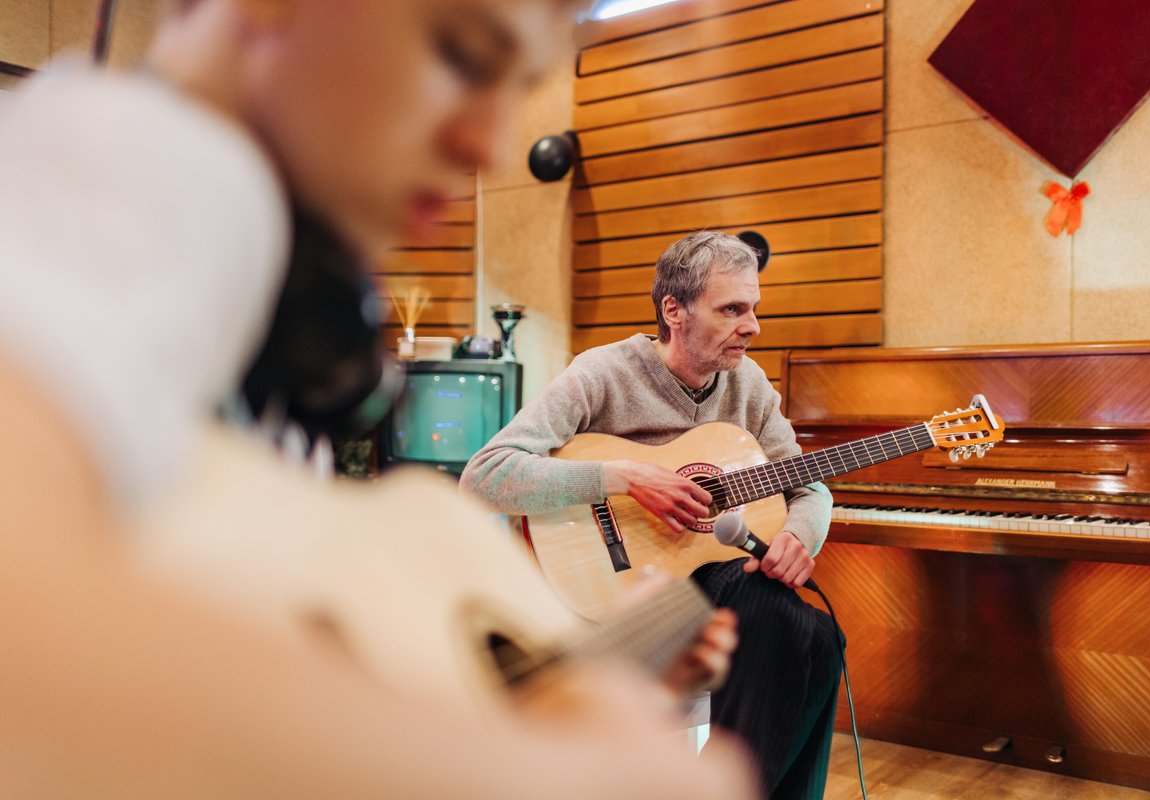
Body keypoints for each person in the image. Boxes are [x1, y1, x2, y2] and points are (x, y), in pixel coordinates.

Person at [0, 1, 757, 797]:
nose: (490, 143)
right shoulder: (138, 170)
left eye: (521, 87)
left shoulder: (264, 311)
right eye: (463, 54)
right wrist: (571, 777)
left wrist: (587, 687)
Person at [462, 230, 845, 800]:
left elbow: (809, 488)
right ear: (675, 311)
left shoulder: (749, 384)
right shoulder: (602, 372)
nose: (753, 326)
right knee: (783, 620)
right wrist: (621, 476)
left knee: (823, 639)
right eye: (732, 309)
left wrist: (798, 535)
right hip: (626, 592)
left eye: (754, 308)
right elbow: (485, 475)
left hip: (711, 578)